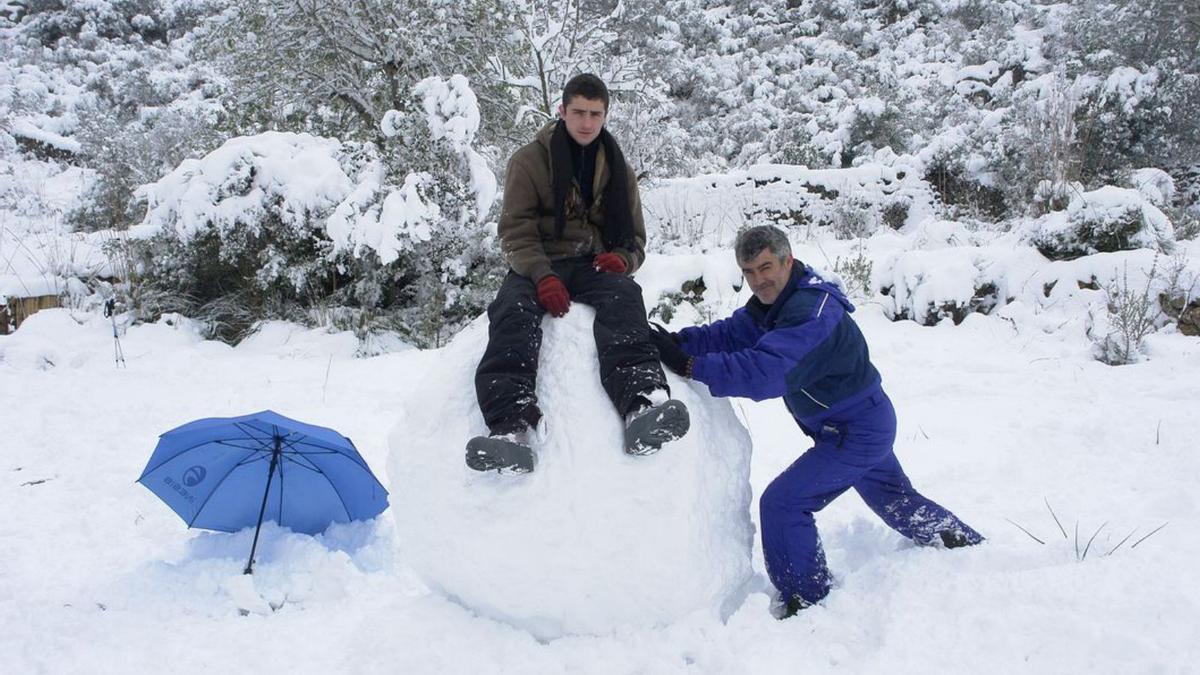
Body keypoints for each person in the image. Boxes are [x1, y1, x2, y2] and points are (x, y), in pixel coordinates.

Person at [649, 225, 982, 617]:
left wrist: (691, 366)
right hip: (853, 423)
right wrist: (677, 341)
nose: (759, 280)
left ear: (788, 259)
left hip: (855, 429)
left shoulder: (811, 312)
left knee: (784, 503)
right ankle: (963, 545)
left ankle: (805, 597)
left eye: (766, 267)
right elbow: (733, 334)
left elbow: (767, 371)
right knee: (897, 501)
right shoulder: (777, 302)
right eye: (749, 272)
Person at [467, 73, 689, 474]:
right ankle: (510, 428)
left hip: (592, 264)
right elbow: (515, 233)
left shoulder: (618, 168)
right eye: (579, 113)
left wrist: (623, 261)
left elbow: (634, 240)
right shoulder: (529, 161)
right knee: (512, 312)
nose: (587, 122)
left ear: (605, 115)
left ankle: (642, 407)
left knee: (625, 298)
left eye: (595, 114)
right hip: (537, 262)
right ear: (562, 111)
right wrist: (541, 276)